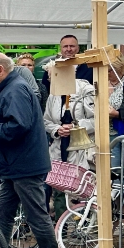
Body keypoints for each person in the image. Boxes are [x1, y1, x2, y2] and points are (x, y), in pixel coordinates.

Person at [0, 53, 64, 248]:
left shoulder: (15, 90)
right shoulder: (13, 88)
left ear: (0, 70)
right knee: (2, 211)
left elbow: (19, 125)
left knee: (36, 215)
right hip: (16, 164)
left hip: (24, 164)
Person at [43, 75, 95, 219]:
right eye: (50, 77)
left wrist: (75, 127)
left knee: (83, 189)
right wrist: (57, 129)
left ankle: (85, 227)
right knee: (59, 188)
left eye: (56, 76)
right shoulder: (53, 95)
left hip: (82, 148)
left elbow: (96, 119)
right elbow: (46, 121)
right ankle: (62, 230)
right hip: (59, 148)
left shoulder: (85, 90)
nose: (52, 80)